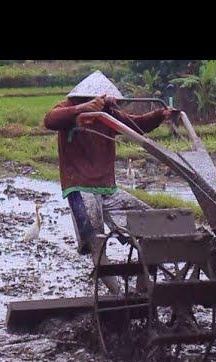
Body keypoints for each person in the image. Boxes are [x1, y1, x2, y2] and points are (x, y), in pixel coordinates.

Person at [44, 71, 175, 293]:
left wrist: (160, 114)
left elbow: (136, 125)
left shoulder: (108, 112)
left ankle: (143, 293)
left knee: (151, 225)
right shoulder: (68, 107)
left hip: (108, 189)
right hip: (80, 187)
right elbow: (49, 119)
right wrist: (83, 109)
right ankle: (116, 297)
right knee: (97, 242)